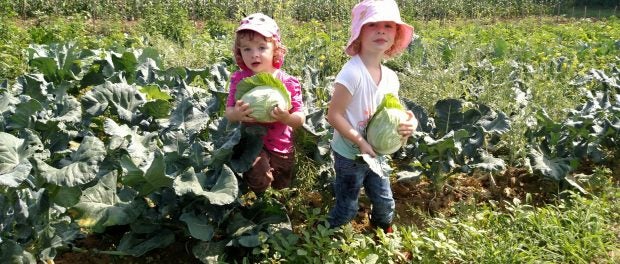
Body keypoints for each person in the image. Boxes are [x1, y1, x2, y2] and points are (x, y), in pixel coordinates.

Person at [326, 0, 419, 233]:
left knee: (385, 200)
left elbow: (394, 111)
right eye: (372, 25)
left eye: (388, 26)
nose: (381, 30)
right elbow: (333, 115)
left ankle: (381, 229)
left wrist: (410, 122)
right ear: (359, 33)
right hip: (350, 153)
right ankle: (329, 235)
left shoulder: (390, 77)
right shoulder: (351, 73)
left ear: (396, 34)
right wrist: (360, 141)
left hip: (377, 153)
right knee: (348, 204)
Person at [225, 13, 305, 194]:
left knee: (282, 184)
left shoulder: (288, 82)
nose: (254, 55)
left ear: (275, 49)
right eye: (247, 49)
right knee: (258, 177)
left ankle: (276, 205)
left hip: (281, 144)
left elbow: (300, 118)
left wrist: (287, 117)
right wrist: (236, 114)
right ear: (239, 52)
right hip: (251, 142)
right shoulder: (239, 79)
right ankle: (259, 197)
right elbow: (228, 112)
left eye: (262, 47)